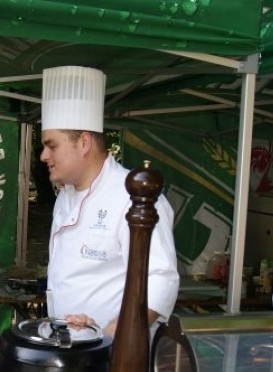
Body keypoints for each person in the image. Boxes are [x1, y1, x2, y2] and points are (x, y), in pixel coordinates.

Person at [39, 65, 179, 340]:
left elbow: (160, 282)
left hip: (114, 361)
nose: (44, 155)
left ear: (84, 142)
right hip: (69, 351)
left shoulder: (134, 197)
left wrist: (110, 335)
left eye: (52, 145)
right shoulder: (65, 197)